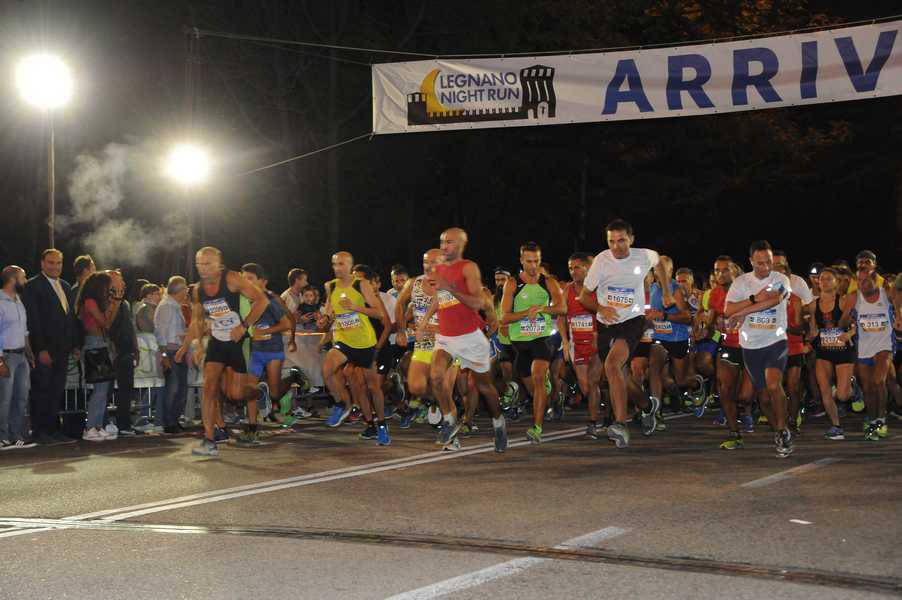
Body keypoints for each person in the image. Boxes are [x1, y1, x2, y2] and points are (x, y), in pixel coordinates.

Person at [579, 219, 671, 448]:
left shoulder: (643, 255)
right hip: (606, 324)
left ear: (631, 239)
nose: (616, 246)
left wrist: (667, 291)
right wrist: (601, 308)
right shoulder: (601, 261)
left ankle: (621, 424)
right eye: (611, 241)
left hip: (632, 321)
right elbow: (583, 296)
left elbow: (658, 262)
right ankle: (648, 406)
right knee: (623, 378)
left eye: (621, 240)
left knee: (611, 366)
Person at [175, 247, 271, 457]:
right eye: (199, 264)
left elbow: (262, 300)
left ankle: (258, 392)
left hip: (236, 340)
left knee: (235, 394)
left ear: (219, 264)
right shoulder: (199, 290)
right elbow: (198, 319)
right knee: (209, 388)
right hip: (217, 341)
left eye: (208, 263)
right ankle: (209, 440)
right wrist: (194, 346)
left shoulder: (232, 279)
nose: (203, 268)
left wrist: (244, 326)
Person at [419, 227, 508, 452]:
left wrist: (452, 288)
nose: (444, 246)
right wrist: (424, 320)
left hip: (470, 337)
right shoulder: (438, 269)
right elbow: (440, 298)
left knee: (484, 386)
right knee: (436, 376)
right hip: (446, 337)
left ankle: (499, 422)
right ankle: (449, 419)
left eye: (449, 242)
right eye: (442, 242)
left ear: (460, 244)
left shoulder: (468, 268)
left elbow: (478, 302)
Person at [725, 240, 794, 458]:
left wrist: (743, 312)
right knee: (763, 397)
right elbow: (728, 309)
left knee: (774, 384)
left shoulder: (781, 279)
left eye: (768, 263)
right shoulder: (741, 282)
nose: (764, 268)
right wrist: (752, 300)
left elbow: (773, 301)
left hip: (776, 342)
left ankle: (783, 430)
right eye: (759, 264)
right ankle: (778, 430)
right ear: (750, 261)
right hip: (751, 345)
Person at [321, 252, 392, 445]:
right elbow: (330, 312)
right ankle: (342, 404)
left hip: (364, 342)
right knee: (327, 369)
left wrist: (355, 307)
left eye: (342, 264)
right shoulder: (331, 286)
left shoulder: (361, 285)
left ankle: (382, 425)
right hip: (343, 340)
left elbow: (379, 314)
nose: (337, 267)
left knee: (372, 386)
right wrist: (325, 319)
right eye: (334, 264)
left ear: (350, 266)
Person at [500, 242, 565, 444]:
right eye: (529, 261)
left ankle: (537, 427)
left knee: (538, 377)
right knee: (533, 386)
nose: (533, 265)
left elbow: (562, 308)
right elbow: (504, 317)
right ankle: (545, 395)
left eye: (536, 261)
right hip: (520, 341)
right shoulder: (512, 284)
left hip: (543, 337)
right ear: (521, 261)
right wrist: (524, 314)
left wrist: (543, 310)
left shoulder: (549, 283)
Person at [23, 249, 79, 445]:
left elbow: (69, 318)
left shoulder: (65, 285)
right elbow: (33, 321)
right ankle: (39, 432)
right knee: (41, 390)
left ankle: (53, 430)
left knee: (56, 391)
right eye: (50, 262)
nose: (55, 266)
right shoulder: (32, 286)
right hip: (45, 350)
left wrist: (75, 345)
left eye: (58, 263)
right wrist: (40, 349)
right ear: (42, 263)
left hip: (63, 350)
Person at [841, 268, 895, 440]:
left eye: (866, 281)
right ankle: (872, 420)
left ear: (875, 280)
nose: (862, 285)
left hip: (884, 344)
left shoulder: (886, 292)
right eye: (859, 281)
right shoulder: (854, 297)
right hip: (864, 346)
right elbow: (842, 321)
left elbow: (899, 304)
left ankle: (881, 419)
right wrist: (848, 318)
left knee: (879, 381)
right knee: (868, 388)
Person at [241, 263, 293, 437]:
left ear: (261, 281)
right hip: (256, 351)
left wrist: (265, 331)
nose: (246, 282)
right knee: (250, 388)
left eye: (250, 279)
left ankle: (294, 377)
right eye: (244, 278)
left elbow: (286, 323)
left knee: (275, 392)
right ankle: (252, 427)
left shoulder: (270, 301)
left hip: (273, 351)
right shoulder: (244, 301)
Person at [395, 249, 444, 428]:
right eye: (426, 262)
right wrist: (401, 330)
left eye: (434, 262)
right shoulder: (414, 283)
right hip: (423, 344)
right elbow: (399, 303)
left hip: (446, 344)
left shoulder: (451, 287)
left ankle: (454, 416)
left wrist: (435, 329)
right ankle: (435, 400)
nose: (429, 266)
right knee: (415, 386)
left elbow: (462, 321)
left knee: (453, 384)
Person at [558, 252, 604, 439]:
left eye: (577, 267)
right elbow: (561, 318)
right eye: (570, 267)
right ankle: (607, 405)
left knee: (593, 383)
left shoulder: (598, 288)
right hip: (577, 344)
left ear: (588, 268)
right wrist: (565, 342)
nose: (573, 271)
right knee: (586, 387)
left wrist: (598, 335)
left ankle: (592, 424)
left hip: (597, 343)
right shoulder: (568, 290)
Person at [811, 268, 853, 439]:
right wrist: (811, 334)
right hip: (823, 351)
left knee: (842, 395)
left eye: (829, 279)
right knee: (824, 390)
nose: (824, 281)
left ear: (836, 282)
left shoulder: (843, 301)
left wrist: (849, 334)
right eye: (822, 279)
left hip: (843, 351)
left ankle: (852, 386)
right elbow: (813, 327)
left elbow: (857, 322)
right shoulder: (814, 304)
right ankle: (836, 426)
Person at [76, 271, 118, 442]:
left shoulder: (95, 301)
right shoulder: (90, 301)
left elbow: (108, 323)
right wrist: (114, 303)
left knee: (104, 389)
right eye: (107, 286)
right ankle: (90, 427)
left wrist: (113, 304)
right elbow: (105, 323)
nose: (109, 290)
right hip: (94, 344)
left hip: (101, 343)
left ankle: (98, 426)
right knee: (99, 390)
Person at [0, 266, 36, 450]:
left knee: (21, 398)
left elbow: (24, 332)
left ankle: (16, 436)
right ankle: (2, 437)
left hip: (21, 356)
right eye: (23, 277)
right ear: (13, 279)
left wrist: (29, 354)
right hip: (6, 356)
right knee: (4, 399)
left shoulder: (18, 300)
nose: (26, 281)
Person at [155, 276, 189, 434]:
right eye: (186, 288)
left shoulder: (174, 305)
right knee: (173, 388)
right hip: (170, 351)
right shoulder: (167, 306)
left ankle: (174, 420)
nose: (187, 291)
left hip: (178, 350)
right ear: (180, 290)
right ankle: (169, 422)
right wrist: (164, 355)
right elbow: (161, 333)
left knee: (181, 388)